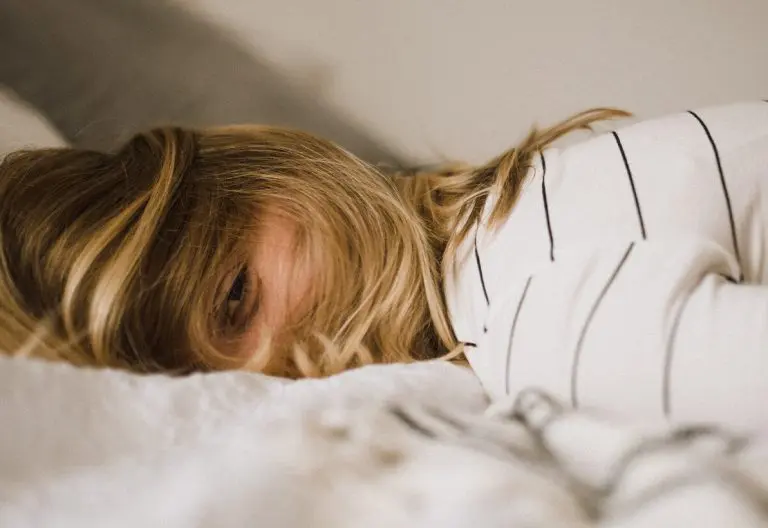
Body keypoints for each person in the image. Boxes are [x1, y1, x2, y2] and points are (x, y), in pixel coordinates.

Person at [1, 101, 766, 427]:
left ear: (274, 169)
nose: (278, 372)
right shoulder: (519, 205)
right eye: (223, 389)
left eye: (236, 297)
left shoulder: (535, 319)